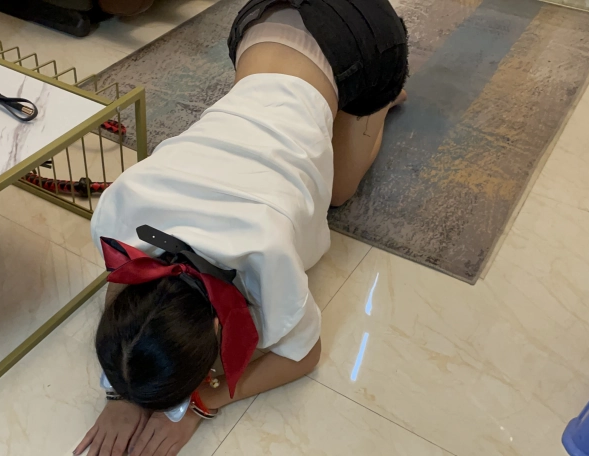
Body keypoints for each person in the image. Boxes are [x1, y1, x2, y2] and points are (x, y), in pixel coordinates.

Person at [75, 0, 408, 454]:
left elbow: (303, 355)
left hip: (358, 34)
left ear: (219, 329)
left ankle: (383, 102)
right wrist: (121, 391)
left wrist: (202, 404)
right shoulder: (121, 207)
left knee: (339, 193)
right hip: (262, 23)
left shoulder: (266, 255)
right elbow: (120, 282)